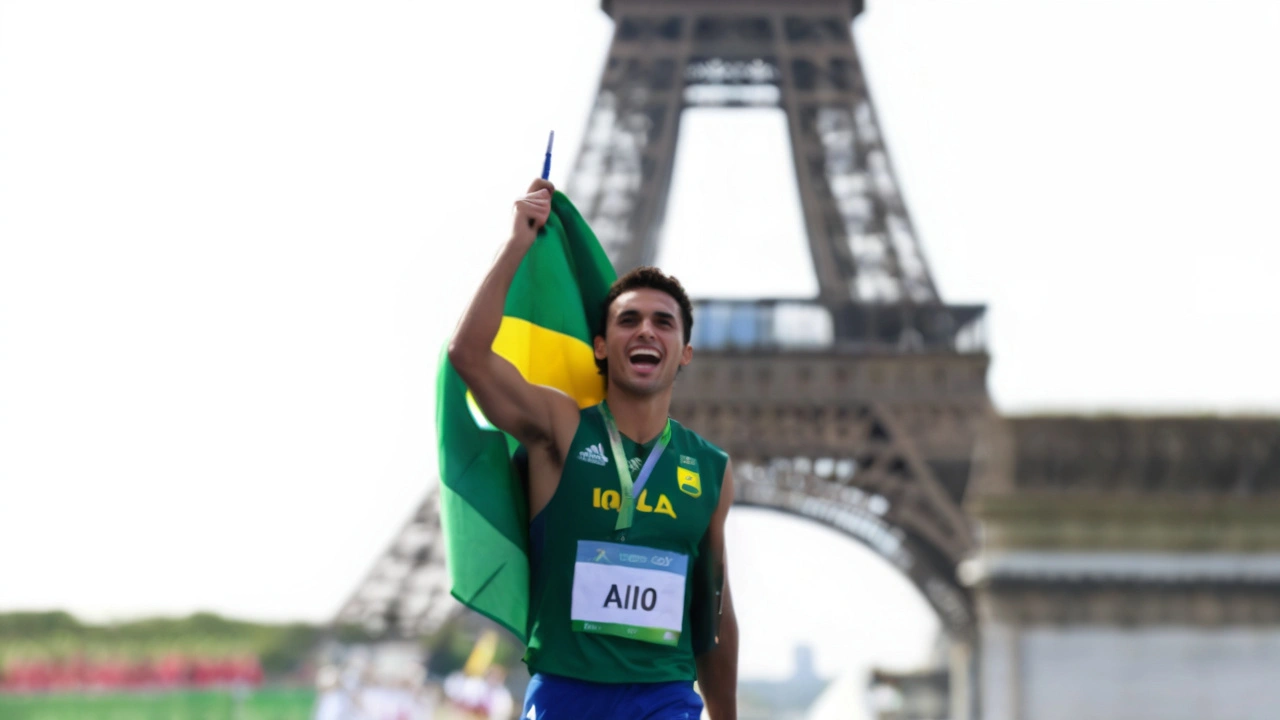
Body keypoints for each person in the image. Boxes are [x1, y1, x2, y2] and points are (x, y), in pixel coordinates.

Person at [447, 179, 738, 720]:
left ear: (685, 352)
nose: (645, 330)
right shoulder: (560, 428)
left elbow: (713, 611)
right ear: (601, 347)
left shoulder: (710, 469)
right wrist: (517, 245)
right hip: (566, 694)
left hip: (664, 698)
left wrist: (726, 715)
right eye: (628, 320)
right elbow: (469, 355)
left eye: (662, 322)